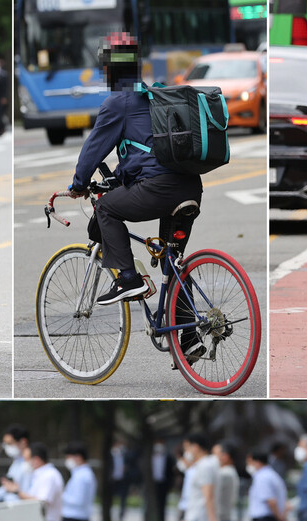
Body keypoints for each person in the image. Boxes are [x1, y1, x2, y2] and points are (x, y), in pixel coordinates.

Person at [67, 32, 203, 325]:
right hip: (191, 187)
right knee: (172, 261)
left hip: (159, 189)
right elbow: (144, 151)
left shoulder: (118, 103)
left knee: (106, 208)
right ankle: (191, 336)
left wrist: (79, 185)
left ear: (108, 70)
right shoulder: (159, 95)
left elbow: (92, 151)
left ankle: (129, 279)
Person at [152, 438, 175, 521]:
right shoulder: (150, 457)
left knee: (162, 505)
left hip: (163, 484)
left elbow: (171, 472)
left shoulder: (168, 457)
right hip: (153, 484)